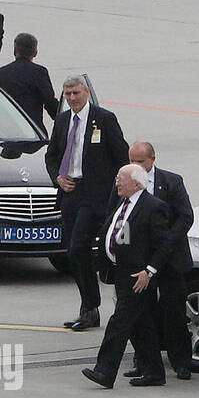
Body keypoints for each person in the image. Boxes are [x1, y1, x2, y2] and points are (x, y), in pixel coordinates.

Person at [44, 76, 129, 331]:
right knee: (72, 250)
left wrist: (116, 192)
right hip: (70, 192)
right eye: (68, 94)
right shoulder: (62, 120)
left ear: (87, 92)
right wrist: (57, 178)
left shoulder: (104, 119)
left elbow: (121, 156)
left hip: (95, 196)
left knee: (80, 245)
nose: (72, 99)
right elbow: (51, 156)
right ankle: (88, 307)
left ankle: (91, 305)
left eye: (76, 93)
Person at [82, 164, 171, 388]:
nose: (117, 182)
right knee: (142, 326)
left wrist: (149, 271)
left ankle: (104, 371)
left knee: (118, 323)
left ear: (136, 182)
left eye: (121, 178)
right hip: (121, 272)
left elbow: (164, 245)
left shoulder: (153, 207)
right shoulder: (123, 204)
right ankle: (154, 373)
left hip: (139, 276)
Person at [123, 142, 195, 380]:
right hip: (141, 261)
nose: (136, 166)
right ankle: (145, 361)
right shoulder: (126, 182)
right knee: (143, 313)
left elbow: (186, 217)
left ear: (152, 159)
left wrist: (166, 244)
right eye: (132, 161)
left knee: (174, 311)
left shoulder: (172, 182)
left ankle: (181, 362)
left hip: (170, 260)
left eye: (140, 162)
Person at [0, 33, 58, 132]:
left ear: (14, 51)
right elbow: (49, 101)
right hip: (32, 128)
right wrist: (61, 118)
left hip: (4, 130)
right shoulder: (39, 72)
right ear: (35, 53)